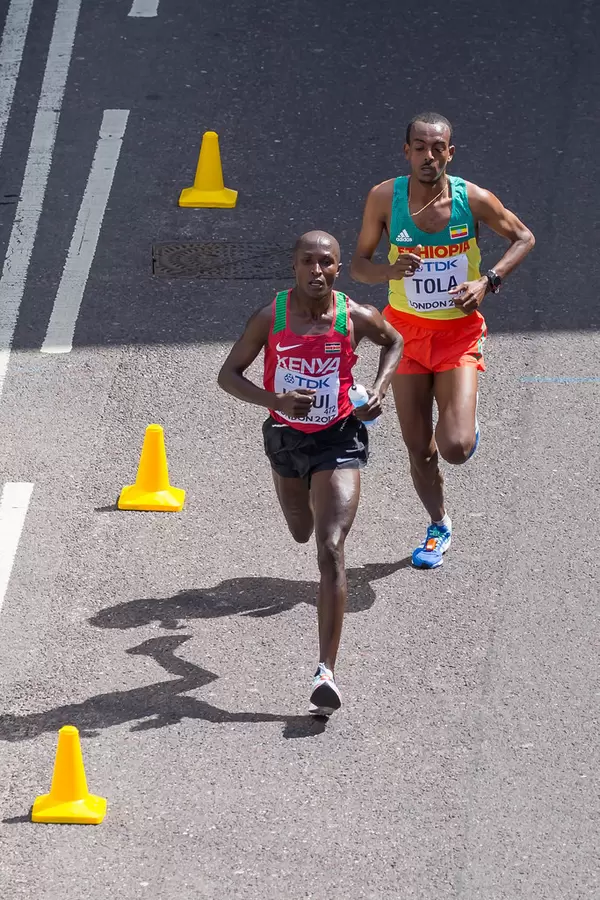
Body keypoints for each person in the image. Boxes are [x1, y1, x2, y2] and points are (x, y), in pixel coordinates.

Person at [217, 231, 403, 715]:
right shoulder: (271, 317)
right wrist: (274, 400)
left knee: (330, 546)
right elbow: (228, 375)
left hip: (339, 437)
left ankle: (326, 671)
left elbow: (395, 340)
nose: (316, 271)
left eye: (326, 263)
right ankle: (292, 488)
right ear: (294, 266)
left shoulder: (354, 316)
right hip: (286, 439)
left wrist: (379, 390)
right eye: (307, 262)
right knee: (300, 531)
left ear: (338, 269)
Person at [351, 112, 535, 569]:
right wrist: (388, 271)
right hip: (404, 336)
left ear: (450, 153)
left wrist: (487, 281)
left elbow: (523, 237)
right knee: (420, 450)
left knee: (453, 446)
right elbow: (357, 265)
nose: (428, 156)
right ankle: (438, 525)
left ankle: (464, 426)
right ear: (406, 151)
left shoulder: (471, 199)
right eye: (420, 147)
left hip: (457, 335)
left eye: (438, 148)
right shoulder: (383, 199)